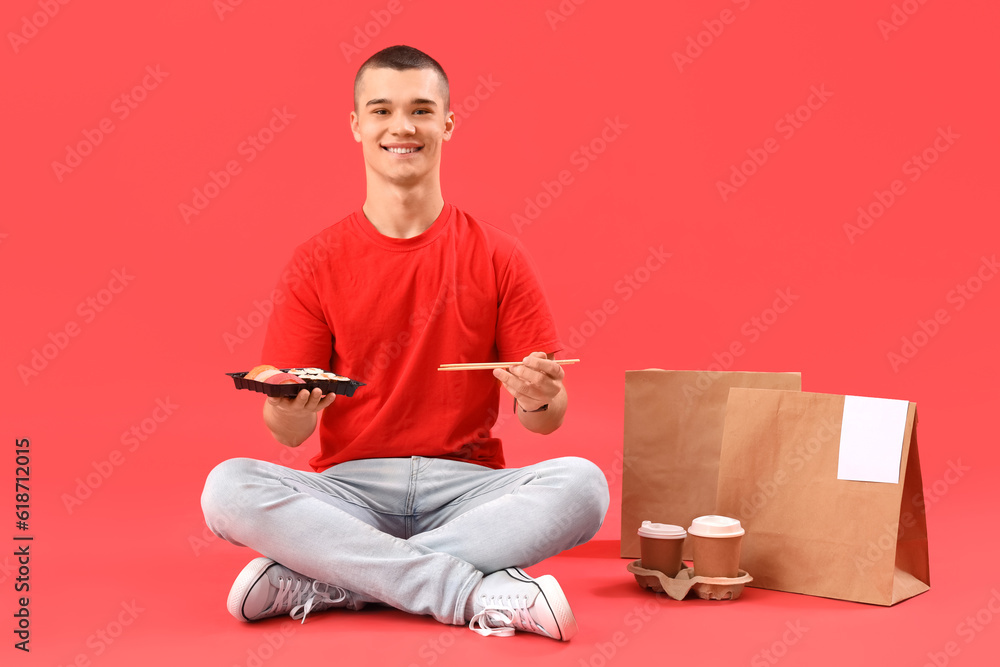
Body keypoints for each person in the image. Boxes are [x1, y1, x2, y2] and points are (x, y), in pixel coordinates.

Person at [200, 45, 609, 642]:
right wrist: (288, 408)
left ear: (446, 122)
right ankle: (467, 591)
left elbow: (545, 424)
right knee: (227, 488)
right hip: (349, 489)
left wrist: (540, 395)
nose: (402, 127)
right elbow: (288, 435)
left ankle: (332, 578)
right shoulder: (316, 261)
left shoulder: (499, 256)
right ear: (357, 125)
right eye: (382, 110)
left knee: (583, 485)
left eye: (420, 110)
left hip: (469, 488)